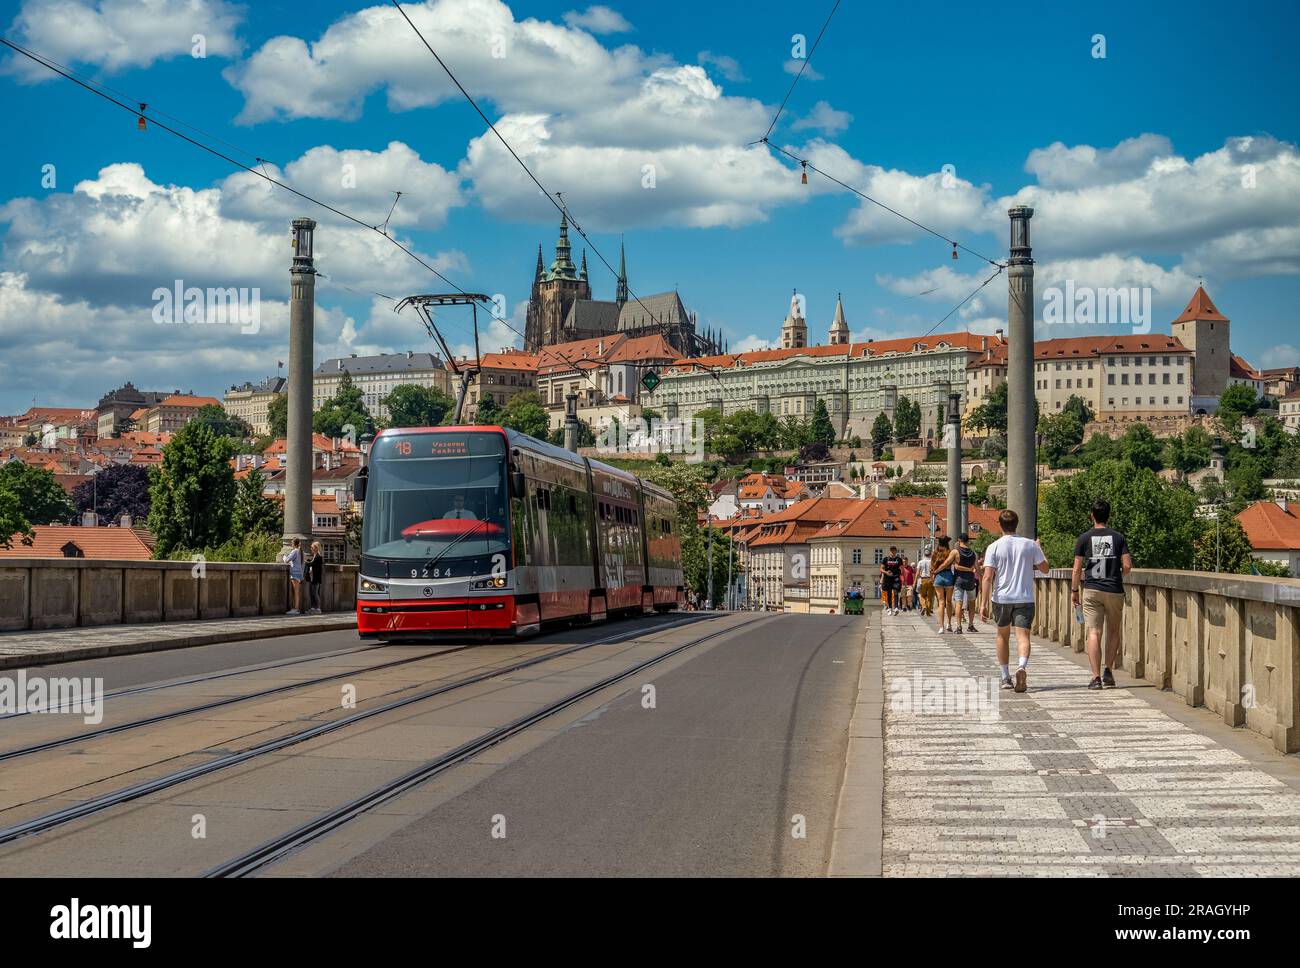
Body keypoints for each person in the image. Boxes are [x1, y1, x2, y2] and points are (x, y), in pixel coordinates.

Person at [980, 509, 1050, 693]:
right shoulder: (1029, 545)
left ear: (999, 524)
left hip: (1001, 598)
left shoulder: (993, 547)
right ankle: (1021, 667)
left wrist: (983, 604)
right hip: (1024, 597)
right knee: (1023, 636)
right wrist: (1038, 547)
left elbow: (987, 577)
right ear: (1016, 524)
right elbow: (1045, 569)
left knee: (1002, 636)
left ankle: (1005, 676)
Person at [1072, 499, 1133, 690]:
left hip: (1092, 589)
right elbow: (1128, 566)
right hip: (1114, 589)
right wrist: (1116, 574)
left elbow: (1076, 569)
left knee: (1094, 632)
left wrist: (1074, 591)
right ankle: (1108, 670)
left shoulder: (1084, 538)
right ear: (1109, 515)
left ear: (1092, 516)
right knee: (1113, 630)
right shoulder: (1118, 537)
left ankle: (1095, 677)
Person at [951, 533, 980, 634]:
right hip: (970, 581)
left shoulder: (956, 552)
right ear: (968, 541)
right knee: (972, 602)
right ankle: (971, 625)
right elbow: (977, 568)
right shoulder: (974, 553)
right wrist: (980, 578)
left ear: (959, 540)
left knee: (958, 603)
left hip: (959, 581)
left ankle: (959, 627)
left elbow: (954, 565)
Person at [930, 536, 955, 633]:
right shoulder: (950, 552)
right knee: (949, 601)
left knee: (941, 602)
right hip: (949, 576)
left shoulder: (935, 553)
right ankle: (949, 623)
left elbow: (931, 566)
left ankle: (941, 627)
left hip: (938, 577)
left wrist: (933, 575)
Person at [880, 545, 904, 615]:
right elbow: (881, 569)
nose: (893, 552)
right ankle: (890, 608)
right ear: (889, 551)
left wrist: (902, 575)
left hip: (896, 577)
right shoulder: (886, 559)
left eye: (894, 550)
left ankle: (896, 607)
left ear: (896, 551)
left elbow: (902, 568)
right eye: (891, 550)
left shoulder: (898, 559)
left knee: (896, 591)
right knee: (889, 593)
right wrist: (886, 572)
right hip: (888, 578)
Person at [283, 538, 304, 615]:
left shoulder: (295, 551)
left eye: (292, 543)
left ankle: (296, 609)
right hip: (299, 573)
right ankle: (296, 608)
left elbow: (286, 560)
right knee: (297, 592)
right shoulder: (301, 552)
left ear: (294, 544)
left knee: (296, 592)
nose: (291, 544)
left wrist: (284, 557)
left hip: (294, 573)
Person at [306, 540, 325, 615]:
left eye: (312, 547)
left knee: (315, 593)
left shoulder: (319, 557)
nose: (311, 549)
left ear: (316, 548)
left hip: (316, 578)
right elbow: (311, 563)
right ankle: (313, 608)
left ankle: (318, 608)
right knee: (311, 593)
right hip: (312, 577)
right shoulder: (314, 556)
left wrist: (306, 562)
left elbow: (312, 564)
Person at [915, 549, 934, 616]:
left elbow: (917, 573)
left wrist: (915, 582)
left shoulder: (920, 562)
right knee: (929, 597)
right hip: (931, 580)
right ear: (930, 554)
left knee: (922, 595)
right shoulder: (932, 562)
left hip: (923, 580)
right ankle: (928, 613)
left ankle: (923, 606)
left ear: (924, 554)